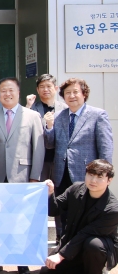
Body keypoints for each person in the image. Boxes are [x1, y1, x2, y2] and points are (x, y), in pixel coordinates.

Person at [0, 77, 45, 274]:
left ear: (18, 92)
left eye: (11, 90)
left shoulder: (32, 116)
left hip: (21, 175)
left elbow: (38, 148)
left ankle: (22, 262)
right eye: (3, 91)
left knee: (21, 221)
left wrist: (35, 177)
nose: (7, 94)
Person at [44, 78, 114, 233]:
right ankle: (62, 239)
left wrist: (104, 174)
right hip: (61, 173)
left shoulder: (97, 115)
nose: (71, 96)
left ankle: (83, 241)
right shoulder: (58, 116)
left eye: (75, 92)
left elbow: (105, 147)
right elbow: (50, 144)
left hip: (86, 173)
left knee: (85, 212)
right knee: (63, 212)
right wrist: (49, 127)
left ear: (84, 94)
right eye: (67, 93)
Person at [40, 159, 118, 274]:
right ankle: (89, 271)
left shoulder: (112, 209)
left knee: (93, 244)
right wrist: (50, 194)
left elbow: (85, 233)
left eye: (99, 177)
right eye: (90, 175)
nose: (93, 180)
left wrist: (60, 255)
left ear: (109, 180)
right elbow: (55, 210)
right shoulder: (76, 189)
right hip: (74, 242)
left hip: (98, 247)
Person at [26, 74, 67, 244]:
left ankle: (61, 236)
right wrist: (27, 107)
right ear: (37, 89)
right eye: (42, 86)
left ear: (56, 88)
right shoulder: (31, 109)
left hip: (59, 161)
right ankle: (36, 237)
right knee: (37, 198)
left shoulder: (65, 108)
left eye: (49, 86)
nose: (45, 89)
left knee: (59, 197)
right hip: (39, 161)